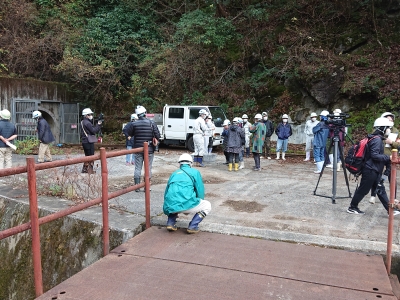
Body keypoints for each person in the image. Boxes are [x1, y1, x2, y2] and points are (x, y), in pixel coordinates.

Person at [347, 117, 393, 215]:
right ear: (382, 128)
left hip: (374, 169)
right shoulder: (377, 140)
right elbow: (375, 156)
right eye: (388, 127)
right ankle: (352, 207)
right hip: (370, 169)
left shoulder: (376, 138)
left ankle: (390, 210)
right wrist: (388, 157)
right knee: (364, 189)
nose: (389, 129)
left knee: (380, 189)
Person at [163, 153, 212, 233]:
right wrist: (196, 202)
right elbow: (200, 191)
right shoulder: (195, 172)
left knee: (174, 200)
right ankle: (193, 226)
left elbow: (167, 194)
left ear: (179, 164)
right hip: (188, 203)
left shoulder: (174, 173)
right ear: (191, 163)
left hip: (171, 205)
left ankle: (170, 223)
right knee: (207, 205)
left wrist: (166, 209)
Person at [125, 105, 160, 191]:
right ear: (145, 113)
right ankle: (147, 187)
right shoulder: (152, 123)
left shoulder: (134, 124)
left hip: (138, 149)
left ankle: (137, 187)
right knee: (148, 168)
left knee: (137, 167)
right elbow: (158, 135)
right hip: (149, 149)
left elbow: (129, 133)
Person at [370, 112, 400, 204]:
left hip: (390, 156)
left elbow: (398, 145)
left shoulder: (396, 131)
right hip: (380, 156)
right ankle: (373, 195)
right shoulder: (378, 129)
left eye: (391, 120)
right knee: (376, 176)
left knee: (391, 176)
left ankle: (393, 198)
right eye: (388, 120)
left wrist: (391, 142)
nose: (390, 122)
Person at [80, 108, 102, 174]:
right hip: (88, 141)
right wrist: (98, 125)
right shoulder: (88, 123)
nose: (91, 115)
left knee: (87, 156)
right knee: (91, 156)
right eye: (90, 114)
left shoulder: (82, 122)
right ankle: (90, 170)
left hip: (84, 141)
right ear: (86, 115)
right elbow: (94, 131)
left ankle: (85, 169)